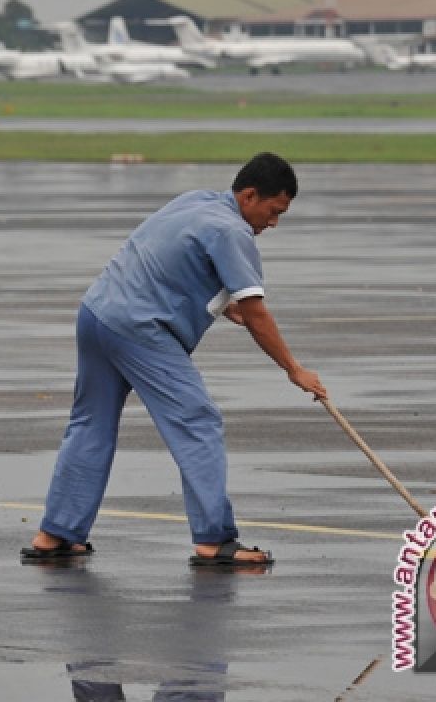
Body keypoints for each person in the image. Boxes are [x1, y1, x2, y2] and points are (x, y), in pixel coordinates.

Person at [23, 152, 325, 566]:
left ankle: (55, 533)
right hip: (139, 329)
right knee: (197, 421)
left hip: (96, 312)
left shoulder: (195, 201)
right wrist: (295, 370)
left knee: (90, 423)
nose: (273, 223)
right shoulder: (231, 230)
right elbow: (256, 311)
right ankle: (214, 540)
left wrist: (221, 308)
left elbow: (171, 264)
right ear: (250, 196)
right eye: (273, 212)